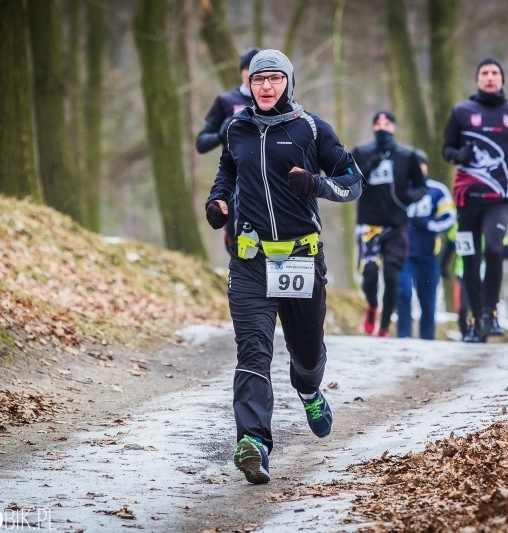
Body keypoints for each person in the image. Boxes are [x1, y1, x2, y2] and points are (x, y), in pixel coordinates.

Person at [204, 49, 363, 485]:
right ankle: (253, 442)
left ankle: (309, 390)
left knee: (306, 352)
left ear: (288, 82)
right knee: (253, 349)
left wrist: (316, 183)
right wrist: (217, 202)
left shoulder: (311, 128)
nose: (267, 86)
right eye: (259, 80)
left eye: (275, 78)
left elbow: (354, 182)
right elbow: (227, 173)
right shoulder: (236, 128)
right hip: (251, 261)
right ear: (249, 85)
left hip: (301, 257)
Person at [441, 56, 508, 343]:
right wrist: (459, 156)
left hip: (500, 197)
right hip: (467, 197)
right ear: (478, 79)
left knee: (494, 249)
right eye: (484, 72)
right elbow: (447, 148)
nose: (490, 77)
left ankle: (491, 312)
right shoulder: (462, 111)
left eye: (495, 72)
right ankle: (475, 319)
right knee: (469, 258)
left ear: (502, 79)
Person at [353, 110, 427, 337]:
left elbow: (421, 186)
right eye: (377, 123)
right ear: (372, 127)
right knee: (371, 274)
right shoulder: (361, 152)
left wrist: (409, 197)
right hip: (369, 225)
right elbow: (350, 180)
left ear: (394, 127)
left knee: (392, 277)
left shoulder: (407, 155)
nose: (382, 126)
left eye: (387, 123)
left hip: (397, 225)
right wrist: (370, 165)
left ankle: (384, 326)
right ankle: (373, 305)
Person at [196, 47, 260, 252]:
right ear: (241, 71)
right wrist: (219, 133)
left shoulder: (275, 102)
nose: (252, 74)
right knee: (238, 240)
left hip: (269, 177)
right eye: (248, 68)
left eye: (258, 70)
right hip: (236, 178)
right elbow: (201, 143)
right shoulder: (226, 101)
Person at [396, 150, 455, 340]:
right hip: (404, 254)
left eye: (421, 164)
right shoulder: (400, 191)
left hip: (429, 256)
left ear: (426, 167)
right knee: (403, 293)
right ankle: (404, 337)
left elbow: (450, 218)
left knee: (428, 303)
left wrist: (430, 224)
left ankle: (427, 341)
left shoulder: (438, 191)